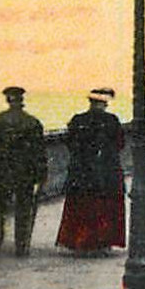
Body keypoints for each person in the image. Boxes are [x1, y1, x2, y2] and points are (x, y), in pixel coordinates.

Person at [55, 88, 126, 255]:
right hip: (106, 172)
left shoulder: (78, 120)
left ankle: (79, 242)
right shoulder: (111, 120)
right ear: (104, 104)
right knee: (104, 208)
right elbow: (120, 144)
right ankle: (102, 244)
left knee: (81, 207)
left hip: (81, 173)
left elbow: (70, 143)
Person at [0, 86, 47, 257]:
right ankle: (21, 246)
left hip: (1, 172)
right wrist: (41, 175)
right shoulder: (33, 122)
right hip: (25, 173)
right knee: (23, 209)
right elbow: (39, 152)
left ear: (8, 100)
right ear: (21, 101)